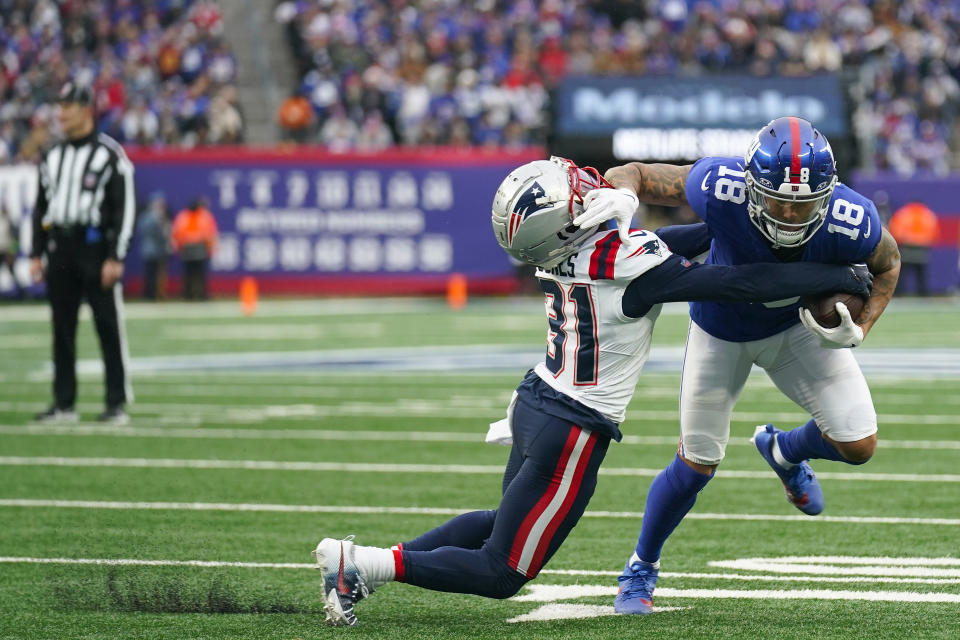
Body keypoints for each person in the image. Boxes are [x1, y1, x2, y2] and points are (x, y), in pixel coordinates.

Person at [310, 156, 873, 626]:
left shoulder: (573, 251)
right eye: (572, 195)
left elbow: (696, 238)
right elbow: (738, 282)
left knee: (500, 518)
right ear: (558, 225)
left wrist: (738, 215)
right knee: (504, 571)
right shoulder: (623, 261)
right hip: (571, 427)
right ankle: (360, 563)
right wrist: (838, 277)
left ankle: (364, 568)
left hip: (537, 399)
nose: (583, 189)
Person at [571, 116, 901, 614]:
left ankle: (785, 451)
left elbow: (889, 263)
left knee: (858, 444)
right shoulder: (718, 186)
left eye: (804, 201)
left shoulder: (852, 219)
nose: (790, 213)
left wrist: (863, 327)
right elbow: (635, 172)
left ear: (828, 194)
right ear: (749, 186)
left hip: (795, 331)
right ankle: (641, 567)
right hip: (719, 330)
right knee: (696, 463)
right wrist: (621, 198)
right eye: (777, 198)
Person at [30, 82, 137, 424]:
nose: (61, 113)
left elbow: (124, 209)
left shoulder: (109, 154)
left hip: (95, 248)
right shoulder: (53, 154)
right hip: (61, 246)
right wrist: (36, 252)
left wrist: (116, 256)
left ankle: (115, 402)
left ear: (86, 109)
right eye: (59, 106)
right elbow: (41, 207)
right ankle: (64, 404)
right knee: (61, 328)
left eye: (68, 106)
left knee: (107, 325)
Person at [171, 197, 218, 300]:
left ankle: (192, 294)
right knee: (197, 274)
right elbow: (209, 233)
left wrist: (179, 247)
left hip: (191, 248)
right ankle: (197, 294)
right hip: (197, 248)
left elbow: (177, 233)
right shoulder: (202, 216)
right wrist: (211, 247)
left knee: (193, 273)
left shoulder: (183, 216)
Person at [888, 201, 939, 296]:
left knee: (901, 273)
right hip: (922, 247)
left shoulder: (903, 213)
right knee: (921, 273)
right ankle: (923, 293)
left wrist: (906, 239)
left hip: (907, 247)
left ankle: (899, 293)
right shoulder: (928, 215)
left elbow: (895, 230)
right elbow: (934, 232)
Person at [137, 192, 171, 300]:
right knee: (151, 274)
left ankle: (154, 294)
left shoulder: (152, 217)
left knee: (156, 274)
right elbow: (156, 233)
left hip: (156, 250)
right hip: (152, 250)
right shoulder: (150, 217)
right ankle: (150, 295)